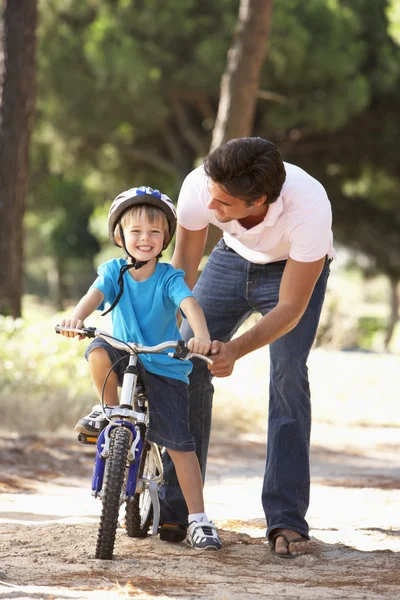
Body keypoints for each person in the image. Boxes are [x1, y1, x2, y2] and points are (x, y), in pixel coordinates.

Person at [158, 137, 335, 558]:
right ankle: (176, 508)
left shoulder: (308, 207)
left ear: (258, 201)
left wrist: (235, 349)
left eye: (224, 205)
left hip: (292, 268)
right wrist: (169, 326)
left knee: (288, 373)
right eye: (211, 197)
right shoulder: (202, 186)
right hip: (231, 259)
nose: (212, 207)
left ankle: (286, 519)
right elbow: (183, 269)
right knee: (184, 360)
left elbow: (291, 309)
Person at [59, 186, 222, 551]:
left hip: (163, 362)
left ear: (166, 237)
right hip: (123, 352)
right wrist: (76, 317)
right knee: (98, 349)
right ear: (120, 236)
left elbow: (190, 305)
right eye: (135, 232)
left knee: (180, 445)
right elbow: (94, 295)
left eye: (154, 232)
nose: (145, 239)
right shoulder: (114, 271)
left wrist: (200, 336)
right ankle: (111, 410)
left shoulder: (168, 277)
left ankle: (198, 519)